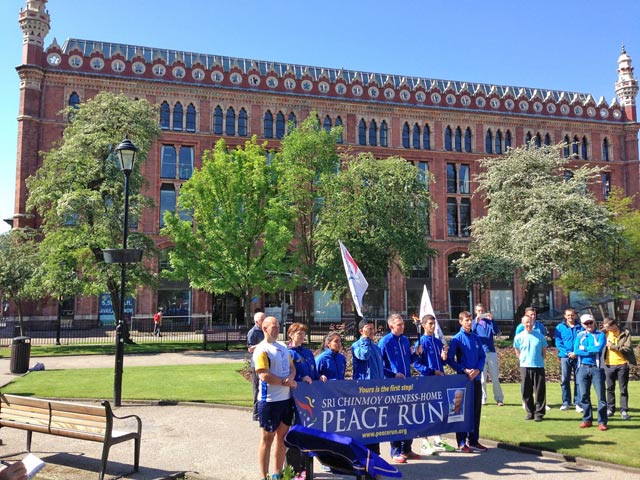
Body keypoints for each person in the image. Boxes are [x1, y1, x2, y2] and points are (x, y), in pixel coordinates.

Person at [253, 316, 297, 480]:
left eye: (278, 326)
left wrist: (291, 378)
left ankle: (277, 473)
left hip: (285, 400)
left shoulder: (283, 347)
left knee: (282, 439)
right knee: (267, 439)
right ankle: (263, 476)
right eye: (274, 326)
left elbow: (292, 368)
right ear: (264, 328)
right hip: (269, 401)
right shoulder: (262, 349)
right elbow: (264, 375)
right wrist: (283, 383)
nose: (277, 329)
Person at [378, 313, 420, 463]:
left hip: (407, 384)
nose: (402, 326)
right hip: (393, 385)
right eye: (399, 324)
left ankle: (407, 449)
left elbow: (409, 360)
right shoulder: (385, 342)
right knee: (395, 419)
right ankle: (395, 451)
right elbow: (380, 366)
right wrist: (393, 375)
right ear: (391, 326)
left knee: (409, 416)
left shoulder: (404, 340)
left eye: (403, 324)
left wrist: (417, 354)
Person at [414, 314, 456, 454]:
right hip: (427, 381)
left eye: (434, 323)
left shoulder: (438, 342)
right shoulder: (421, 343)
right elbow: (416, 364)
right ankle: (425, 442)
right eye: (430, 323)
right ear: (424, 325)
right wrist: (432, 372)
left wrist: (444, 357)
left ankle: (438, 439)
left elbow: (442, 361)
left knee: (439, 409)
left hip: (439, 381)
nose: (433, 326)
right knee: (427, 411)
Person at [447, 310, 487, 453]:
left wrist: (478, 369)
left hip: (475, 379)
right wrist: (464, 369)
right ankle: (462, 442)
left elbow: (482, 356)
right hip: (462, 381)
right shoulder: (457, 339)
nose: (469, 322)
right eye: (466, 320)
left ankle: (474, 440)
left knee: (476, 411)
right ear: (460, 322)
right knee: (461, 412)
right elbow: (450, 359)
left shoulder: (476, 338)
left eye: (470, 320)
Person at [351, 318, 385, 455]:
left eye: (372, 329)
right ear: (361, 331)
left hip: (377, 390)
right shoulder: (357, 345)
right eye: (369, 329)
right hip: (364, 390)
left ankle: (375, 454)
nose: (372, 331)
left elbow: (380, 368)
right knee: (365, 425)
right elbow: (363, 356)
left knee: (375, 424)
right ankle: (363, 454)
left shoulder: (376, 347)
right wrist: (364, 339)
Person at [574, 314, 608, 431]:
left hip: (596, 368)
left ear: (594, 322)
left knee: (601, 397)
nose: (589, 325)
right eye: (586, 323)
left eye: (590, 323)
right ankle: (587, 420)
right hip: (582, 368)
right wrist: (589, 349)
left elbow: (598, 350)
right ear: (583, 325)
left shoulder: (601, 335)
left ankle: (602, 421)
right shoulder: (580, 335)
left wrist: (585, 349)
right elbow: (577, 350)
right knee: (584, 396)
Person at [513, 315, 548, 421]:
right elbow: (517, 351)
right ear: (523, 324)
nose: (529, 324)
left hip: (538, 366)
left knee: (540, 391)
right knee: (526, 391)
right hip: (525, 366)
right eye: (526, 322)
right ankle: (530, 412)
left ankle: (539, 413)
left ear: (533, 322)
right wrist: (522, 360)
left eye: (530, 322)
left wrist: (539, 360)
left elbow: (544, 352)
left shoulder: (540, 336)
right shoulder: (518, 337)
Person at [602, 317, 637, 420]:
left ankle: (624, 411)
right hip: (608, 365)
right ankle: (610, 409)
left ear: (614, 325)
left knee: (623, 389)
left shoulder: (625, 333)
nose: (607, 329)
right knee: (609, 388)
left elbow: (627, 348)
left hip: (622, 364)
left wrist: (613, 346)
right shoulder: (604, 333)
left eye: (608, 327)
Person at [472, 303, 504, 407]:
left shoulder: (489, 322)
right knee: (482, 378)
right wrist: (475, 323)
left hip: (491, 352)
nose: (481, 313)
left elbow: (496, 332)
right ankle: (483, 398)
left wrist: (492, 320)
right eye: (479, 311)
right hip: (480, 353)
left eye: (482, 311)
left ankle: (499, 399)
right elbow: (471, 332)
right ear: (475, 312)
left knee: (495, 377)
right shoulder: (474, 322)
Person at [554, 308, 583, 412]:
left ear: (575, 315)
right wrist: (567, 353)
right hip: (565, 357)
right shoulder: (560, 327)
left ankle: (578, 403)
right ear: (565, 316)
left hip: (578, 356)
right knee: (565, 380)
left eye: (572, 315)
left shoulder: (581, 327)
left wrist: (576, 353)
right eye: (568, 315)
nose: (570, 317)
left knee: (578, 380)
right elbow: (558, 342)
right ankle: (566, 402)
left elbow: (583, 342)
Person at [247, 311, 266, 421]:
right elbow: (250, 349)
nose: (265, 321)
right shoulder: (253, 332)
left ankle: (263, 411)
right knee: (257, 388)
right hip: (257, 364)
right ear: (257, 321)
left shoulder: (265, 330)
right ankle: (256, 413)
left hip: (266, 362)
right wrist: (262, 344)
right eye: (262, 319)